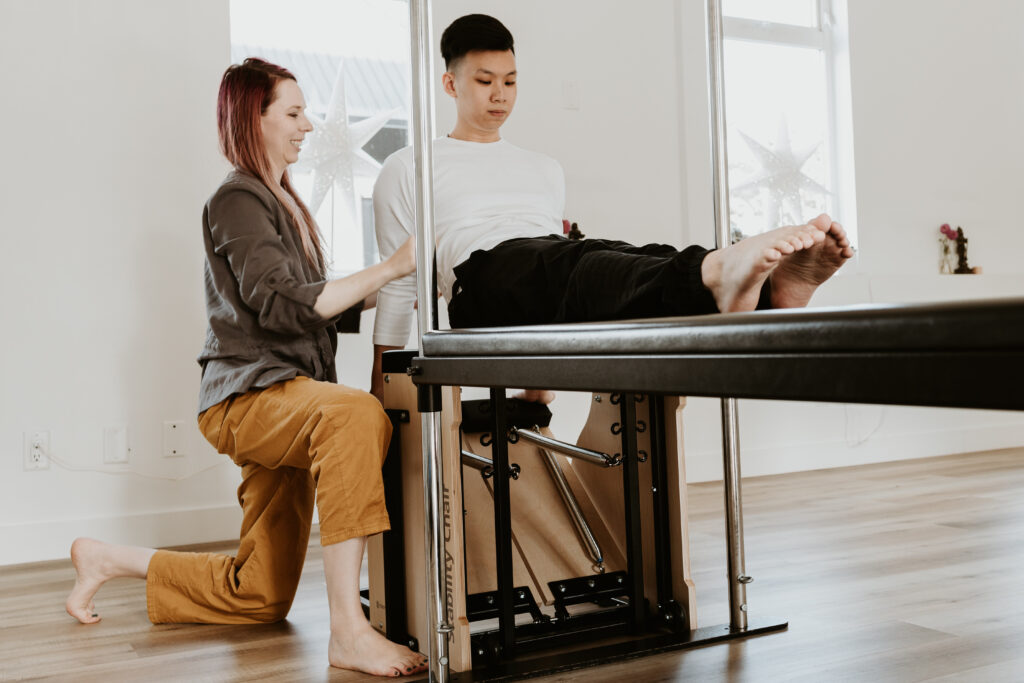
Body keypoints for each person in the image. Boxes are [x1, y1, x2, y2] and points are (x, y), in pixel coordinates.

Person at [64, 58, 427, 678]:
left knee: (258, 594)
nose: (307, 125)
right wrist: (389, 267)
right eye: (292, 112)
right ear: (251, 121)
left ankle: (107, 559)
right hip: (250, 400)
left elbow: (304, 308)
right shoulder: (237, 198)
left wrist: (396, 282)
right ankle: (349, 631)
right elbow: (284, 303)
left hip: (288, 399)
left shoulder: (281, 202)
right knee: (354, 417)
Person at [370, 14, 854, 399]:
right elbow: (397, 285)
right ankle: (718, 273)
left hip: (545, 265)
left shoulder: (543, 167)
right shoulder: (409, 166)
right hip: (479, 281)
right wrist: (381, 402)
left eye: (511, 81)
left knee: (626, 256)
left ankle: (768, 294)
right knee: (581, 263)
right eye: (484, 80)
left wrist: (536, 388)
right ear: (451, 85)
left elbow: (555, 291)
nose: (500, 94)